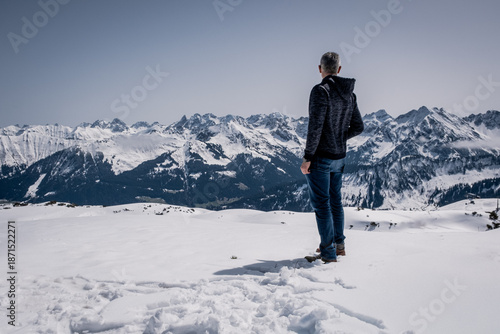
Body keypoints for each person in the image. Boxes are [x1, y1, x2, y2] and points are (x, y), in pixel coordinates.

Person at [301, 52, 364, 263]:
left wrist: (308, 157)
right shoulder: (350, 95)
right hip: (340, 157)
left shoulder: (321, 91)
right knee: (335, 202)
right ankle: (340, 247)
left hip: (321, 157)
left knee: (322, 205)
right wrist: (339, 136)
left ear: (320, 69)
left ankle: (328, 254)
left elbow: (315, 127)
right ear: (339, 69)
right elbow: (358, 127)